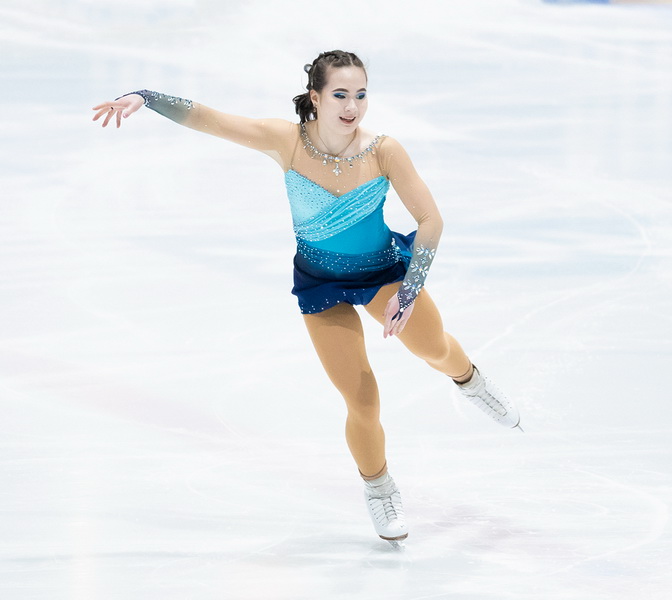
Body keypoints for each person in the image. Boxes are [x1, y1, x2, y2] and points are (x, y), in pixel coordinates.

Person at [91, 49, 521, 546]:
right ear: (315, 98)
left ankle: (469, 380)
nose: (352, 106)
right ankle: (379, 487)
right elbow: (211, 119)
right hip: (320, 284)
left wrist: (408, 291)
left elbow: (431, 220)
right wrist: (145, 97)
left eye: (360, 95)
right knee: (362, 398)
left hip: (384, 273)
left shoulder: (384, 150)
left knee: (434, 348)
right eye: (340, 95)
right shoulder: (287, 142)